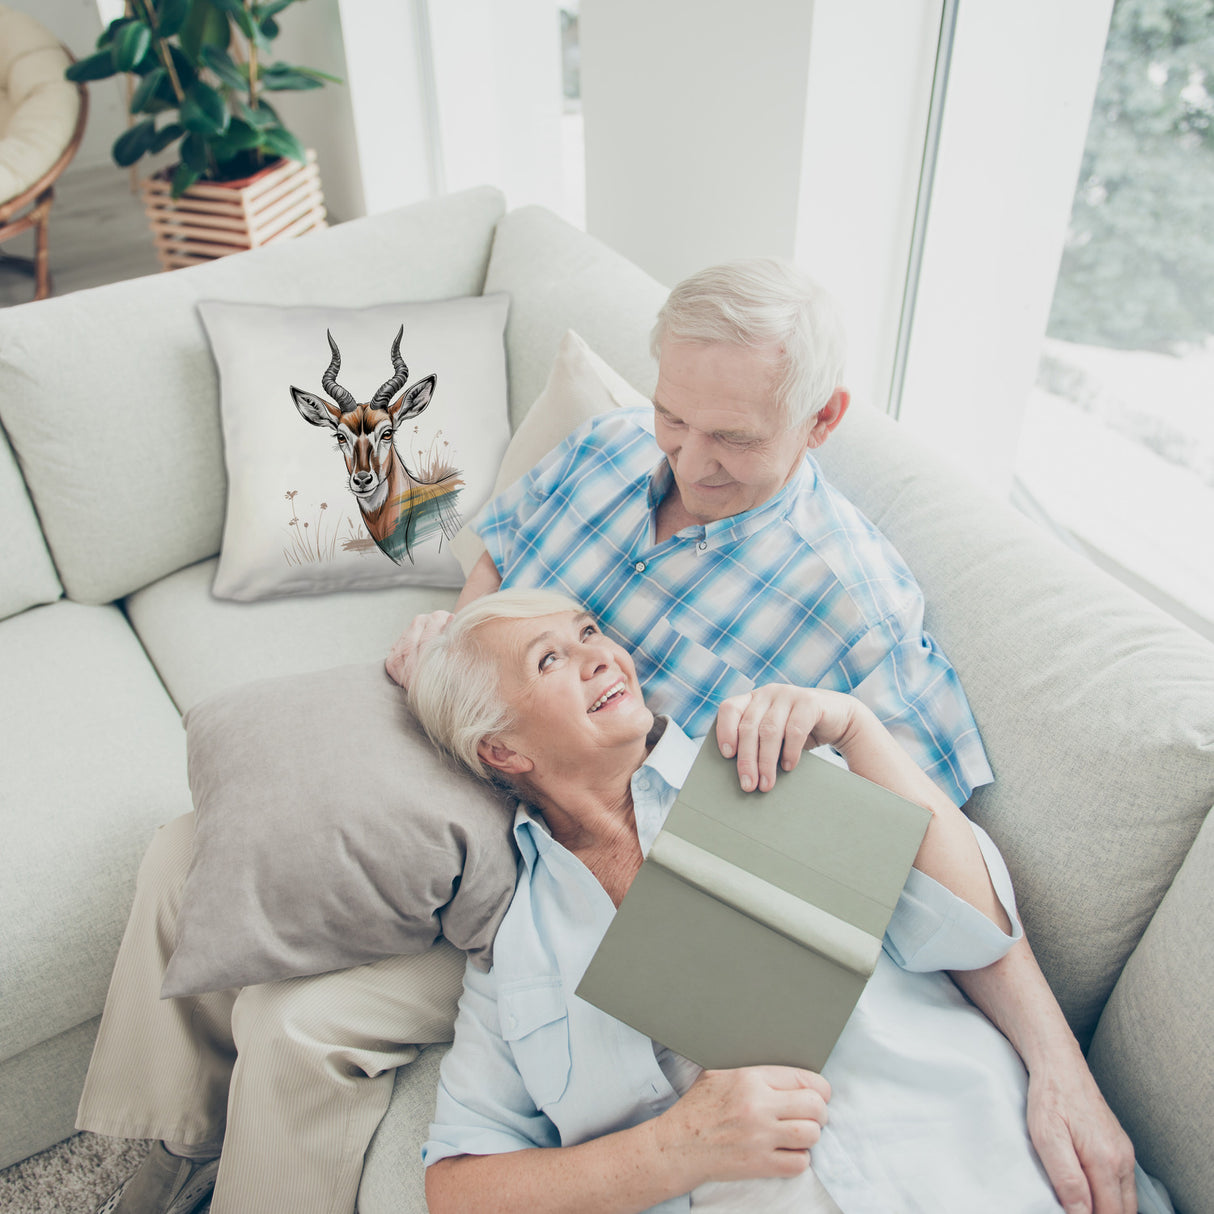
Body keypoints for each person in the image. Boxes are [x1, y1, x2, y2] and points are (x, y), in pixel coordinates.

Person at [79, 260, 1131, 1214]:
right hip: (486, 746)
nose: (687, 457)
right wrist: (457, 643)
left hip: (577, 853)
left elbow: (927, 856)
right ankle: (158, 1150)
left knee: (300, 1024)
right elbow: (499, 561)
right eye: (674, 415)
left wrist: (1057, 1063)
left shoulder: (853, 607)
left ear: (820, 420)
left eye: (732, 438)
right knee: (192, 847)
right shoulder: (608, 447)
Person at [407, 589, 1162, 1214]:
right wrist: (673, 1150)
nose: (601, 654)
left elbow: (973, 929)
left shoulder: (762, 762)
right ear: (502, 750)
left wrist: (858, 731)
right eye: (551, 659)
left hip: (984, 1167)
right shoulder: (516, 951)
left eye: (589, 632)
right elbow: (458, 1187)